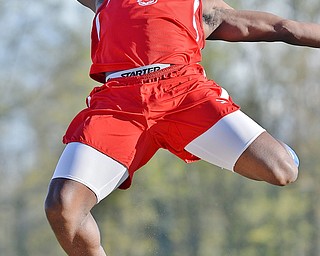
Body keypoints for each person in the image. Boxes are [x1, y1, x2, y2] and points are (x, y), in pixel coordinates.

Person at [45, 0, 319, 255]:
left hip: (184, 94)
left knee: (282, 170)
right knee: (63, 207)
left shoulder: (201, 5)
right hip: (119, 106)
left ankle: (284, 152)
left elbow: (283, 28)